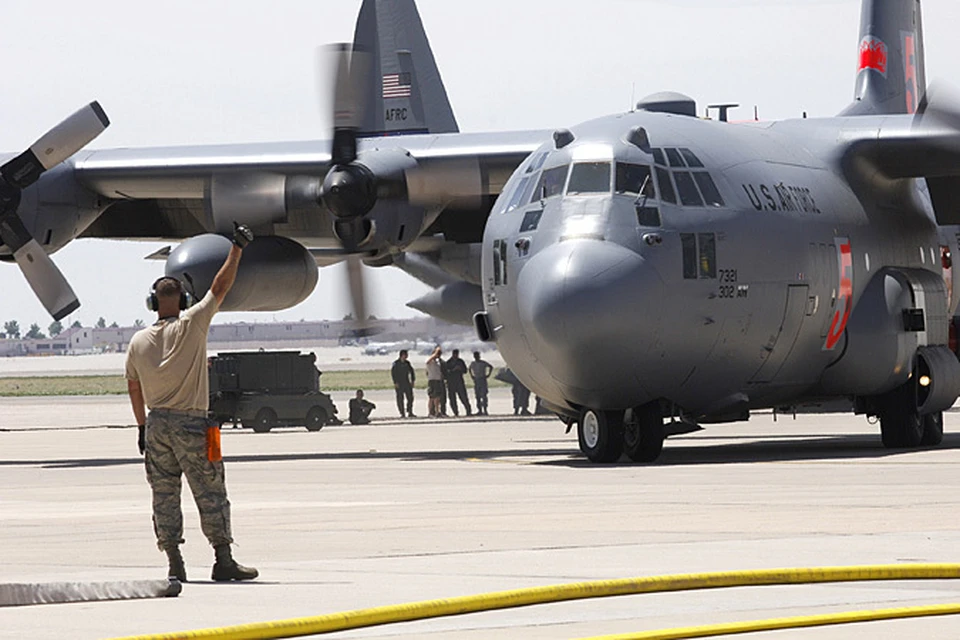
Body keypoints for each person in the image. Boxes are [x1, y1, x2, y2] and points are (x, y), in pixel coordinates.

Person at [125, 222, 258, 583]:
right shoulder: (192, 324)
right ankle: (223, 559)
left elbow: (134, 389)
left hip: (156, 427)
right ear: (183, 301)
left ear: (153, 304)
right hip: (192, 425)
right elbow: (220, 286)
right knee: (211, 490)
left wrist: (141, 427)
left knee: (164, 495)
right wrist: (237, 249)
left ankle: (174, 562)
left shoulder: (137, 342)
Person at [444, 349, 472, 417]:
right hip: (451, 382)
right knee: (452, 399)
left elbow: (465, 370)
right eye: (455, 354)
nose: (456, 356)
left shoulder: (460, 361)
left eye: (457, 354)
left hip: (459, 382)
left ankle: (468, 411)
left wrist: (460, 369)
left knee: (463, 397)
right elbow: (446, 373)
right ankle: (455, 412)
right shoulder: (448, 362)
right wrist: (453, 370)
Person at [390, 349, 416, 418]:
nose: (407, 356)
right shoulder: (396, 364)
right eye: (406, 355)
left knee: (410, 398)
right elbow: (393, 373)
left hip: (406, 382)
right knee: (400, 399)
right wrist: (395, 382)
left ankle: (410, 411)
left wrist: (413, 380)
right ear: (402, 355)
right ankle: (402, 412)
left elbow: (412, 371)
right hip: (399, 383)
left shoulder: (407, 363)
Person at [468, 351, 493, 416]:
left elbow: (490, 366)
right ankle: (480, 410)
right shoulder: (473, 363)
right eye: (475, 356)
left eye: (477, 356)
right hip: (476, 380)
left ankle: (485, 410)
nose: (476, 357)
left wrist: (488, 375)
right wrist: (472, 376)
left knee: (484, 395)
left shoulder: (483, 363)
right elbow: (469, 368)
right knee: (478, 396)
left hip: (482, 379)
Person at [426, 346, 445, 417]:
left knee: (437, 398)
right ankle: (430, 412)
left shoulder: (438, 362)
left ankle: (437, 412)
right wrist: (435, 353)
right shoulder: (430, 361)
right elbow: (427, 361)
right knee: (431, 397)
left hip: (437, 380)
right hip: (432, 381)